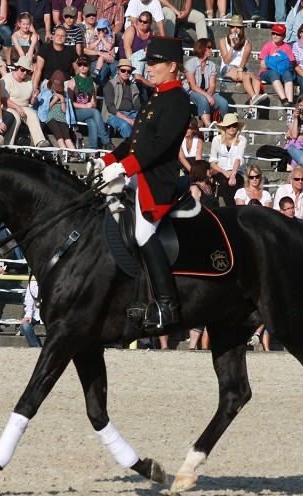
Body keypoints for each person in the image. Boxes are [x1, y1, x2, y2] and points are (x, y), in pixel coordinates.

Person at [93, 36, 192, 329]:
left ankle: (166, 306)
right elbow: (133, 143)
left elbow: (159, 147)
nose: (149, 68)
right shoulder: (157, 97)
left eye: (155, 63)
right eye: (148, 62)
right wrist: (106, 161)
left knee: (142, 232)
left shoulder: (178, 100)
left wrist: (124, 168)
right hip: (138, 174)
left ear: (172, 66)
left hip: (156, 181)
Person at [219, 16, 265, 105]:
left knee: (256, 81)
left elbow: (244, 59)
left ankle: (251, 109)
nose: (235, 29)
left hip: (241, 67)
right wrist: (232, 46)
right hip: (227, 67)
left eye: (238, 27)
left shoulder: (247, 44)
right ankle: (254, 97)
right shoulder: (223, 41)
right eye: (232, 27)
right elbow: (226, 61)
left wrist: (240, 70)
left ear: (242, 29)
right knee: (246, 77)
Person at [69, 55, 112, 150]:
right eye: (80, 64)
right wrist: (86, 105)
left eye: (85, 64)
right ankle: (106, 141)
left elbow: (94, 103)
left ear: (89, 66)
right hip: (75, 112)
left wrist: (90, 105)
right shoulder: (73, 82)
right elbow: (70, 104)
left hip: (88, 112)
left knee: (92, 122)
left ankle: (92, 150)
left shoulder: (93, 84)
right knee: (95, 112)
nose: (82, 67)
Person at [184, 38, 229, 128]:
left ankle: (226, 125)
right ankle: (208, 124)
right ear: (202, 48)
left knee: (223, 102)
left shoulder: (211, 65)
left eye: (211, 47)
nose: (211, 49)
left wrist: (209, 94)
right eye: (209, 47)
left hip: (206, 91)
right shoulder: (190, 63)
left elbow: (212, 85)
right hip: (190, 91)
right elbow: (192, 86)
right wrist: (207, 96)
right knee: (202, 99)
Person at [208, 113, 247, 207]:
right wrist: (224, 171)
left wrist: (233, 174)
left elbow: (238, 158)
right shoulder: (216, 139)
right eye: (229, 126)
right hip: (220, 170)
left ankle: (234, 209)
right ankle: (233, 209)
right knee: (225, 182)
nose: (232, 128)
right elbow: (212, 162)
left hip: (236, 171)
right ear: (224, 127)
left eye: (234, 125)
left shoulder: (242, 139)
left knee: (236, 182)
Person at [102, 58, 141, 139]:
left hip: (131, 113)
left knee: (144, 124)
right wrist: (127, 119)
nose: (126, 73)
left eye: (129, 71)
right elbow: (110, 107)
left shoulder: (133, 86)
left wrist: (139, 118)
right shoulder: (110, 84)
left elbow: (137, 106)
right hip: (113, 114)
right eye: (123, 70)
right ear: (118, 71)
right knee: (125, 125)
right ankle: (131, 149)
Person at [21, 278, 42, 347]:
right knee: (25, 326)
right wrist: (28, 315)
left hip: (51, 314)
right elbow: (29, 298)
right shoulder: (33, 280)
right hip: (37, 314)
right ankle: (35, 347)